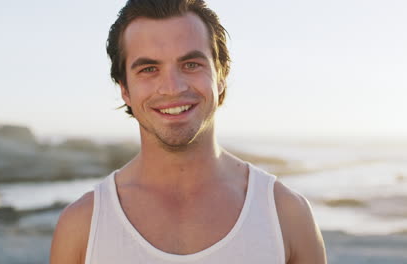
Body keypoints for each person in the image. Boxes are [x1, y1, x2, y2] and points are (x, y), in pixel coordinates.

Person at [50, 0, 327, 263]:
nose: (172, 87)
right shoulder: (82, 225)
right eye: (149, 69)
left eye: (191, 64)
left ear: (221, 76)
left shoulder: (287, 215)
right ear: (125, 90)